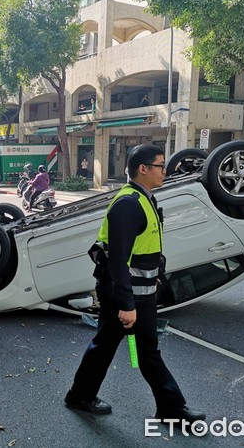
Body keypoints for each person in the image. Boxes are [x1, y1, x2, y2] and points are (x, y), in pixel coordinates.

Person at [65, 144, 205, 424]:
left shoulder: (144, 198)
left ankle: (167, 406)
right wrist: (127, 305)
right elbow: (117, 261)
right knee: (115, 346)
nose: (165, 171)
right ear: (143, 168)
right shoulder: (128, 205)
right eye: (160, 165)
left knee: (134, 349)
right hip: (125, 296)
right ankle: (83, 396)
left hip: (140, 294)